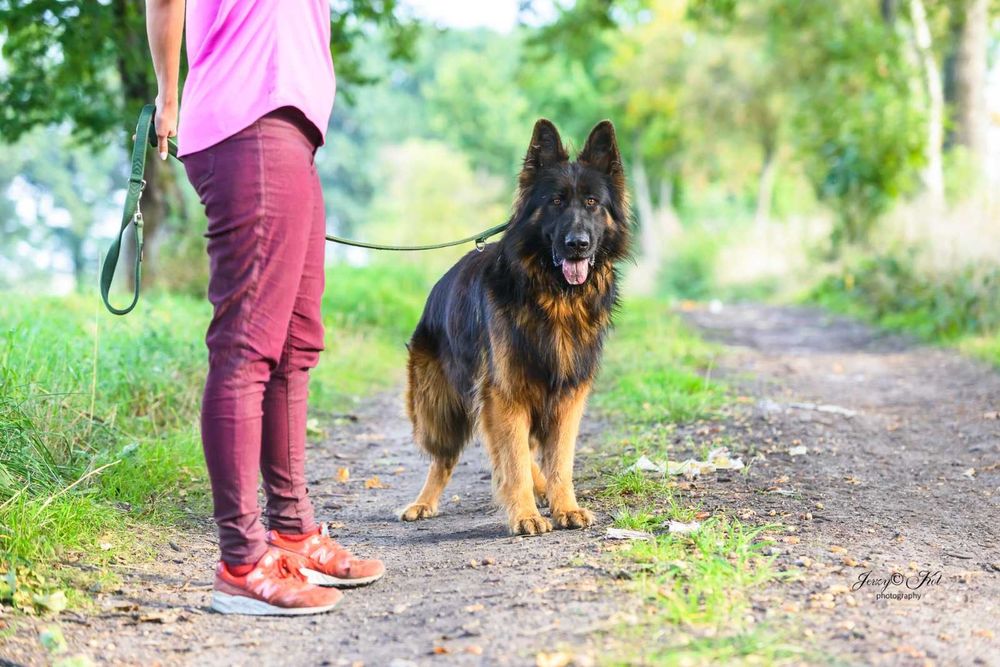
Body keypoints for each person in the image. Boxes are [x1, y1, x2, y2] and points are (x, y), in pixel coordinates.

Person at [145, 0, 385, 616]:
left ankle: (292, 532)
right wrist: (168, 96)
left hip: (291, 125)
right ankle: (242, 562)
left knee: (297, 339)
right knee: (248, 344)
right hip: (247, 115)